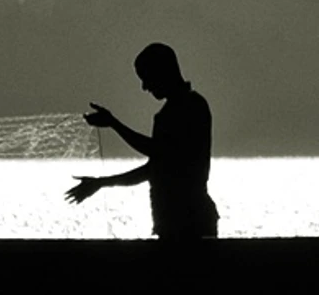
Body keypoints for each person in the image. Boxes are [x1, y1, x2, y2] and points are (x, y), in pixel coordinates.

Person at [65, 42, 218, 239]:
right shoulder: (179, 110)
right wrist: (101, 183)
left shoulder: (189, 108)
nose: (145, 87)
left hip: (188, 223)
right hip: (176, 222)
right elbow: (155, 168)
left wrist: (114, 124)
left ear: (163, 72)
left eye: (147, 78)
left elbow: (158, 152)